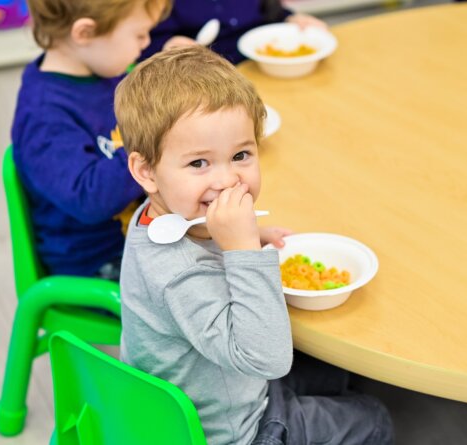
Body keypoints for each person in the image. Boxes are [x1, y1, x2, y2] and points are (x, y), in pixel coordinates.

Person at [115, 45, 394, 445]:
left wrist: (240, 235)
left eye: (241, 154)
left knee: (339, 371)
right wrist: (243, 250)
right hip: (236, 431)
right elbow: (268, 359)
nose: (229, 180)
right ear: (147, 170)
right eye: (199, 163)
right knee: (376, 417)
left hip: (222, 385)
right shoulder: (178, 275)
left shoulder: (159, 215)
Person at [11, 0, 172, 280]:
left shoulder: (102, 70)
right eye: (139, 34)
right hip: (96, 263)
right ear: (85, 33)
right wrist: (150, 141)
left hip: (142, 234)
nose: (146, 42)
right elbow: (89, 200)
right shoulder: (44, 115)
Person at [140, 0, 327, 64]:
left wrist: (289, 19)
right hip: (201, 75)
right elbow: (143, 42)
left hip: (259, 66)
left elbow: (270, 12)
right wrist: (167, 43)